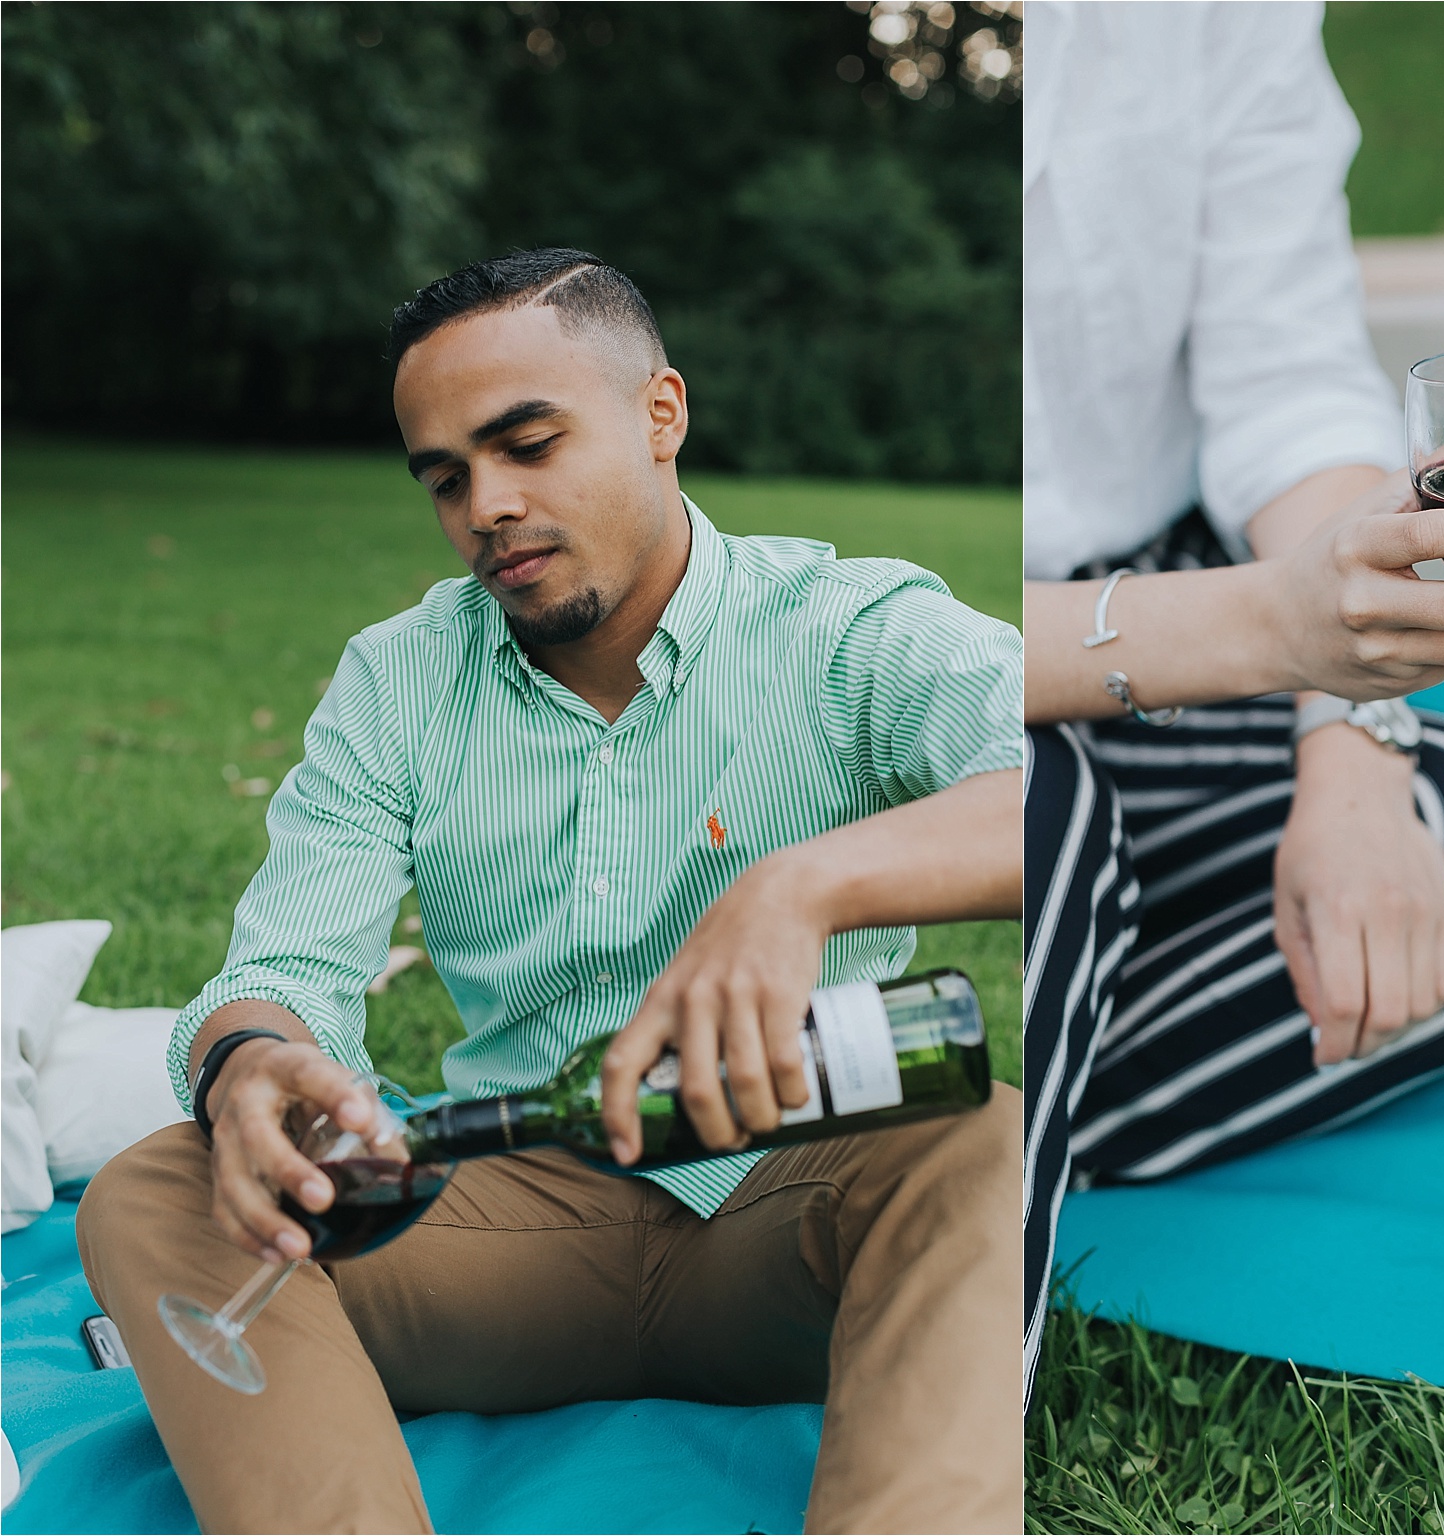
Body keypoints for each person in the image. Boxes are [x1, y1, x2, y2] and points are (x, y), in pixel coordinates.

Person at [78, 250, 1024, 1534]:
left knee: (978, 1131)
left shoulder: (847, 629)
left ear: (660, 413)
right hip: (513, 1218)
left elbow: (1073, 783)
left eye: (526, 443)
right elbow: (287, 971)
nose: (487, 506)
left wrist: (799, 887)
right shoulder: (400, 679)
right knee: (162, 1187)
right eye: (447, 476)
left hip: (794, 1207)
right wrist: (253, 1064)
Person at [1022, 2, 1444, 1380]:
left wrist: (1355, 746)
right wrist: (1279, 636)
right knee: (1041, 822)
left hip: (1182, 579)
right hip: (947, 631)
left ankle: (987, 1081)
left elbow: (1287, 386)